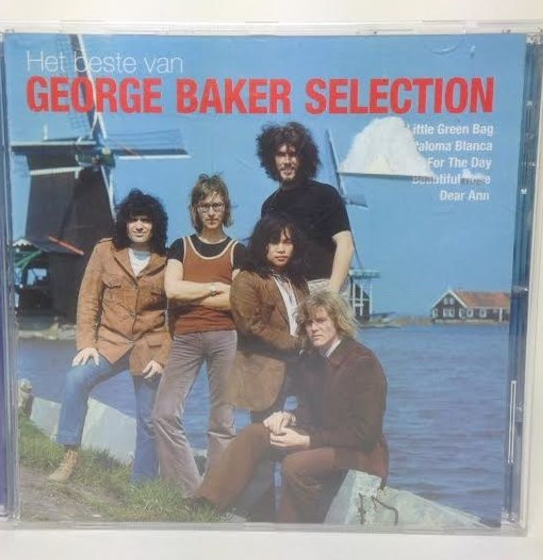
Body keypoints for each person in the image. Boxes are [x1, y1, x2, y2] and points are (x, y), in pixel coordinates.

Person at [194, 290, 388, 524]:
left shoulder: (362, 362)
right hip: (324, 440)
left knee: (295, 465)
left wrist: (307, 441)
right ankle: (205, 506)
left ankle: (290, 531)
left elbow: (364, 434)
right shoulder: (312, 359)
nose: (313, 328)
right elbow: (311, 410)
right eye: (308, 323)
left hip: (361, 454)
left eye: (320, 320)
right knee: (255, 434)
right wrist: (288, 416)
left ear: (339, 321)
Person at [47, 189, 170, 484]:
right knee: (75, 379)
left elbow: (175, 316)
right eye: (133, 219)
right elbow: (88, 299)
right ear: (124, 222)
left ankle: (142, 486)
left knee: (149, 419)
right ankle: (69, 457)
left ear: (155, 225)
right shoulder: (105, 251)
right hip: (109, 343)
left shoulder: (168, 260)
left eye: (146, 220)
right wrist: (86, 344)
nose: (139, 225)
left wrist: (163, 357)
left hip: (149, 349)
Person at [153, 174, 245, 497]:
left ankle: (216, 495)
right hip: (186, 337)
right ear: (195, 209)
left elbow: (238, 300)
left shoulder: (237, 251)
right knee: (163, 413)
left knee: (222, 419)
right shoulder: (181, 246)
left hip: (226, 336)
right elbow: (172, 290)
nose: (211, 211)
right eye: (204, 205)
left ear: (226, 207)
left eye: (217, 205)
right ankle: (190, 492)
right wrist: (214, 287)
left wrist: (194, 294)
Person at [223, 213, 309, 520]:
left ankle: (285, 511)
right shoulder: (247, 279)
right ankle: (259, 515)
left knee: (294, 434)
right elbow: (250, 326)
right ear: (262, 244)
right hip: (264, 373)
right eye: (274, 242)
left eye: (287, 242)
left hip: (299, 370)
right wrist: (295, 343)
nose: (282, 248)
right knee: (265, 441)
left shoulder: (297, 281)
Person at [257, 122, 354, 293]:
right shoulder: (269, 205)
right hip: (288, 290)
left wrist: (331, 292)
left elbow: (345, 244)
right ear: (271, 159)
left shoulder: (325, 195)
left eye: (293, 154)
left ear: (304, 158)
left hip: (326, 286)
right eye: (280, 155)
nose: (287, 161)